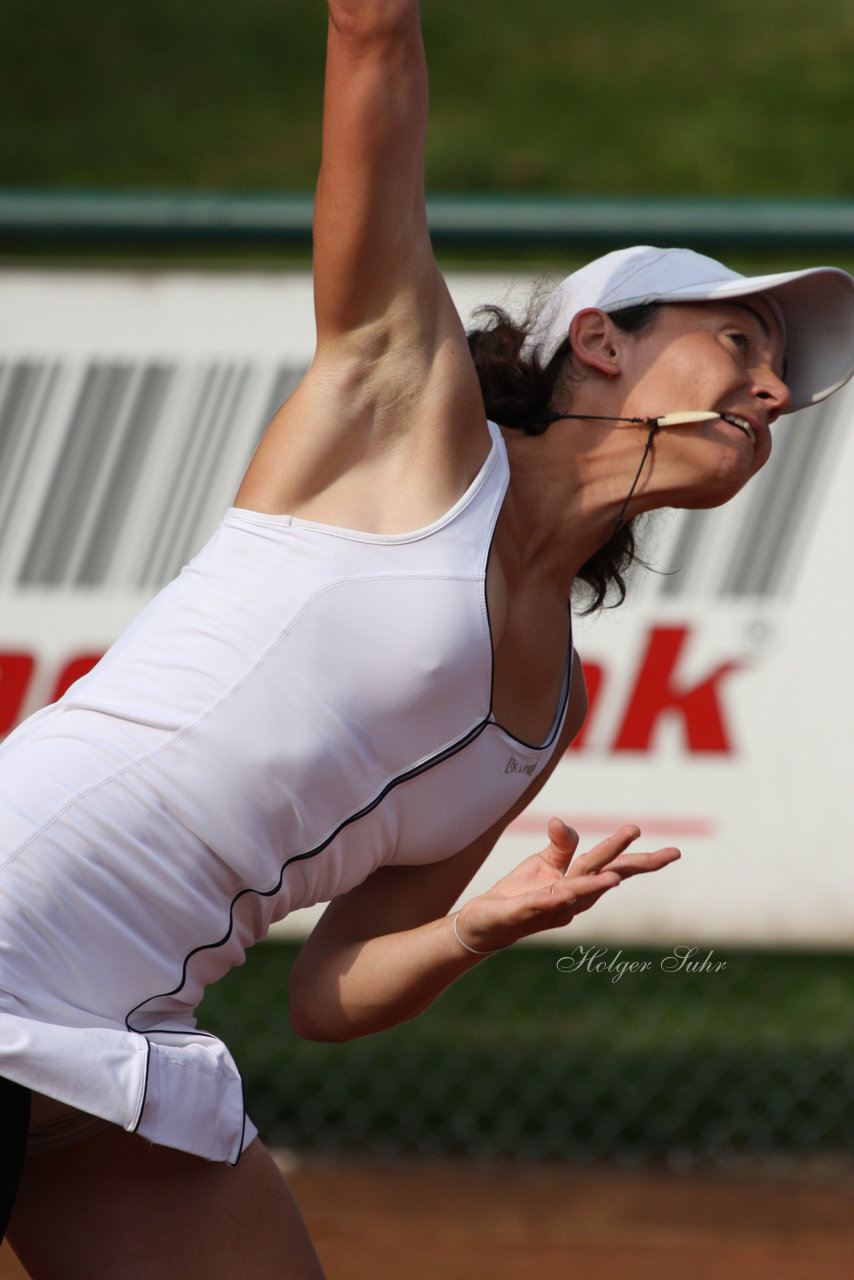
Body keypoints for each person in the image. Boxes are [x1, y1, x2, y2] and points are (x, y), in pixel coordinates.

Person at [3, 1, 854, 1276]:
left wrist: (476, 927)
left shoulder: (546, 709)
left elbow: (325, 990)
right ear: (598, 341)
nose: (775, 390)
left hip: (129, 1027)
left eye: (782, 374)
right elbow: (369, 42)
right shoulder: (403, 420)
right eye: (738, 340)